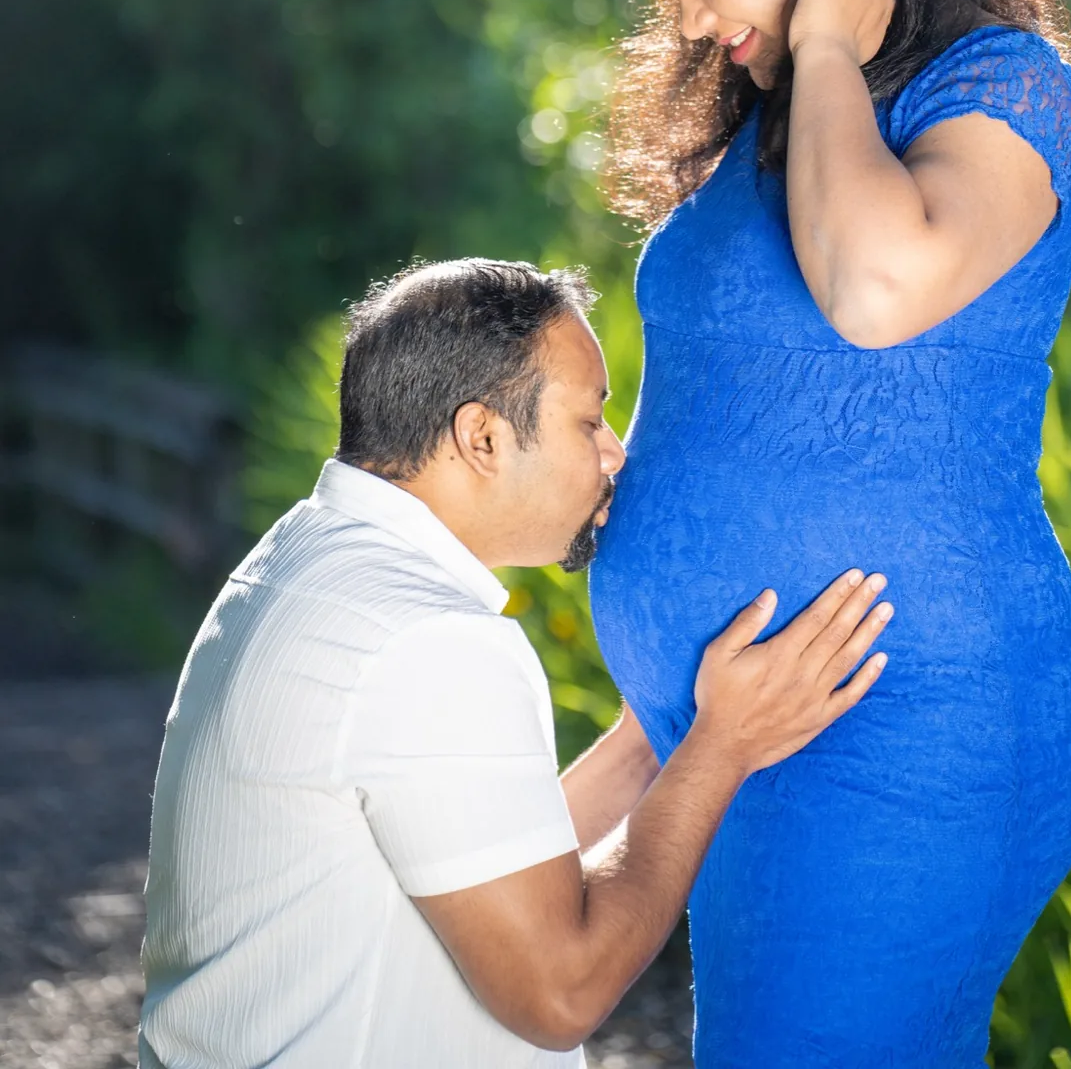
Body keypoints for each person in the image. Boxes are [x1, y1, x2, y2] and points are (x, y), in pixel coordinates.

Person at [587, 0, 1071, 1069]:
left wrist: (825, 41)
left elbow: (874, 289)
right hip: (739, 735)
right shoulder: (767, 126)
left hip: (903, 735)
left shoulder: (1001, 87)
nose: (689, 20)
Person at [139, 257, 891, 1069]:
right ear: (483, 438)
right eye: (588, 421)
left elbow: (478, 852)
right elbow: (560, 994)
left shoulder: (306, 563)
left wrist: (652, 743)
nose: (613, 454)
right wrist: (723, 747)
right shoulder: (428, 639)